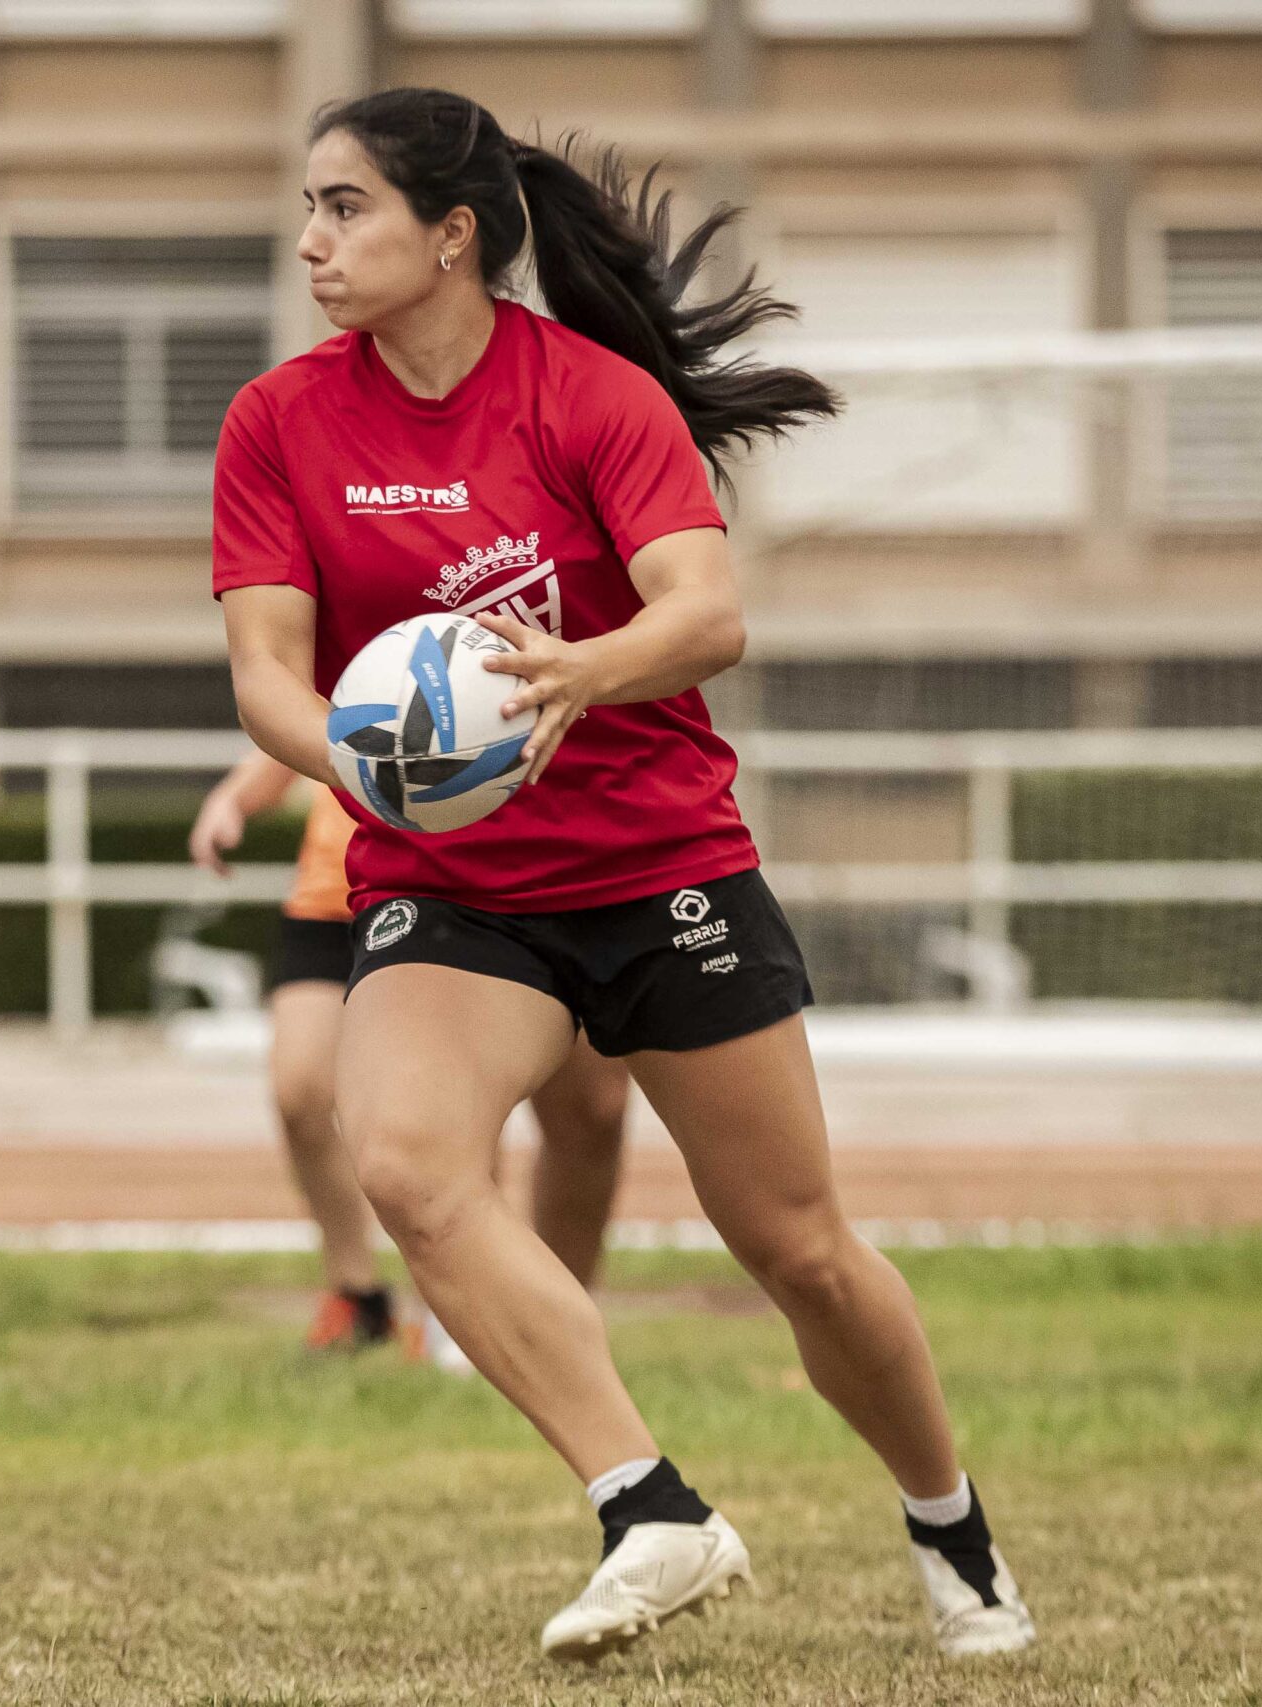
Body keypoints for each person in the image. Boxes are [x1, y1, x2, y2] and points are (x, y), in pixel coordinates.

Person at [210, 88, 1035, 1661]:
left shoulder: (591, 396)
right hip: (452, 884)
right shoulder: (280, 421)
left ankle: (951, 1522)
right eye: (308, 207)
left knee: (798, 1247)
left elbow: (707, 613)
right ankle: (648, 1502)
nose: (312, 240)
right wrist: (363, 755)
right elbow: (266, 674)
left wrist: (578, 669)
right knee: (404, 1157)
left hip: (659, 864)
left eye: (346, 208)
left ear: (452, 236)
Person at [188, 756, 633, 1360]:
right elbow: (302, 714)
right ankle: (359, 1294)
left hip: (447, 888)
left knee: (488, 1114)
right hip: (334, 896)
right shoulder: (337, 668)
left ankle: (483, 1320)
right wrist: (235, 799)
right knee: (299, 1091)